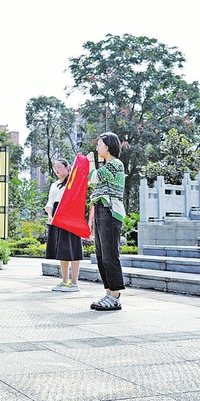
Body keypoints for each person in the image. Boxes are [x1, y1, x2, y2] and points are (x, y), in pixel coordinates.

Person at [88, 132, 126, 311]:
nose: (97, 147)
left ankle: (115, 296)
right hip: (102, 210)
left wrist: (88, 163)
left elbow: (93, 177)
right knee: (102, 256)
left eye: (100, 144)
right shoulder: (107, 165)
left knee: (110, 255)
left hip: (110, 212)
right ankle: (109, 293)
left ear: (108, 146)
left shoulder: (115, 164)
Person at [45, 158, 83, 292]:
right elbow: (50, 203)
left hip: (71, 216)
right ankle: (64, 281)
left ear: (68, 168)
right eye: (55, 167)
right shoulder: (54, 184)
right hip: (57, 217)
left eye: (60, 167)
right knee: (62, 249)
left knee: (73, 248)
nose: (57, 169)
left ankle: (74, 283)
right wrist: (50, 215)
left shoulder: (72, 183)